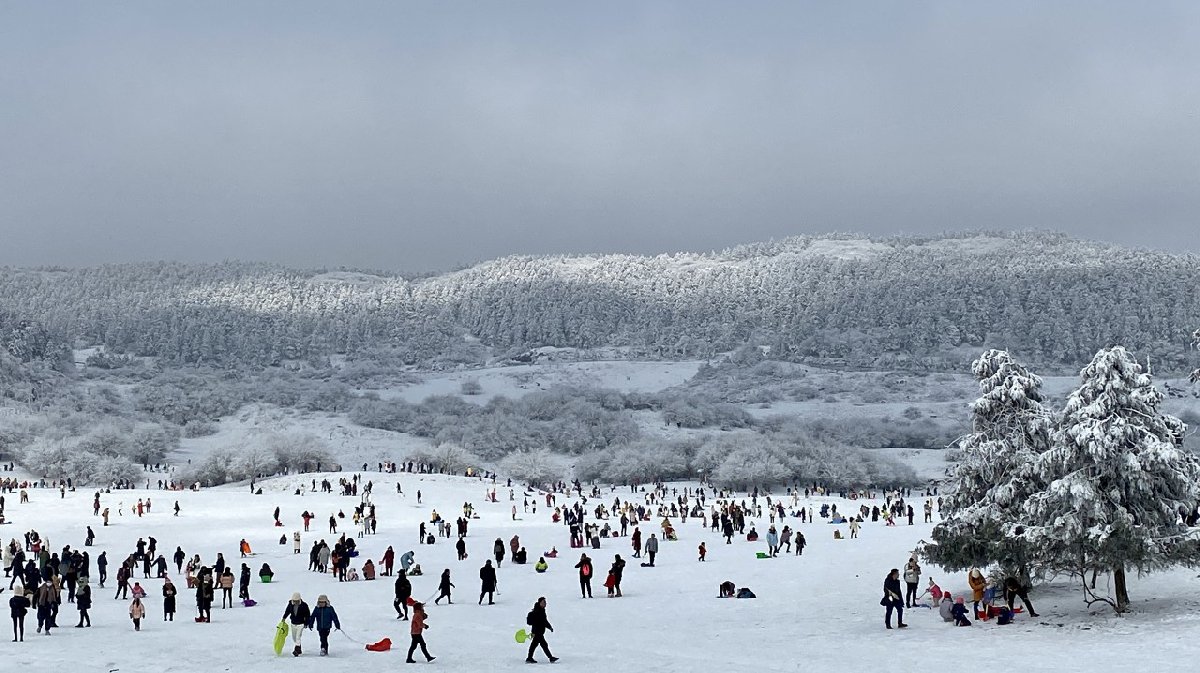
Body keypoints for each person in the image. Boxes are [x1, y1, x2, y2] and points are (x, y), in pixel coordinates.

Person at [525, 596, 558, 664]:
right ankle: (550, 658)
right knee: (543, 644)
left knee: (534, 645)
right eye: (543, 602)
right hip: (537, 632)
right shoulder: (537, 611)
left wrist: (549, 627)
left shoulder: (542, 611)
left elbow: (544, 621)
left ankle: (529, 658)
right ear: (540, 603)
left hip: (539, 631)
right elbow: (537, 621)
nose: (545, 603)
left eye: (545, 602)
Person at [282, 592, 311, 656]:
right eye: (294, 601)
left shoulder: (304, 605)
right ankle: (299, 649)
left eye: (297, 601)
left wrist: (306, 623)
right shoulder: (290, 604)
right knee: (294, 638)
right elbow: (287, 611)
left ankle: (296, 651)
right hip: (293, 623)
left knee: (298, 637)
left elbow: (307, 615)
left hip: (301, 624)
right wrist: (284, 618)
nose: (295, 602)